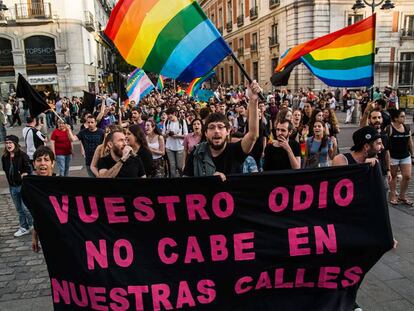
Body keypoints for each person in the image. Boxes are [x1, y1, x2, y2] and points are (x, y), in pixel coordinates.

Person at [183, 81, 260, 180]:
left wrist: (253, 101)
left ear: (228, 131)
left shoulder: (235, 151)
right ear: (205, 133)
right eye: (211, 127)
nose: (216, 131)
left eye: (220, 127)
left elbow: (253, 135)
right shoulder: (196, 154)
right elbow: (185, 183)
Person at [2, 135, 33, 237]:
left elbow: (29, 170)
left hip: (22, 186)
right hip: (12, 187)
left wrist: (24, 174)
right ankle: (24, 227)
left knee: (26, 208)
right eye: (6, 143)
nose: (8, 145)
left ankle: (33, 224)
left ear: (15, 144)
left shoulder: (22, 155)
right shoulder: (4, 157)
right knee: (19, 209)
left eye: (10, 143)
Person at [386, 109, 414, 206]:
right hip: (393, 156)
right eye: (402, 116)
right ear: (395, 118)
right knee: (393, 176)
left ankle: (402, 196)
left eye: (404, 116)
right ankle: (393, 196)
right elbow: (386, 145)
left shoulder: (407, 127)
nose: (404, 118)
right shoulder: (389, 128)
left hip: (405, 155)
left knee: (407, 176)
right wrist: (387, 158)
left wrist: (413, 155)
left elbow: (410, 142)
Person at [30, 146, 56, 252]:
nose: (42, 163)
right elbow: (37, 214)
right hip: (46, 237)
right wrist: (34, 236)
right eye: (39, 160)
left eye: (46, 160)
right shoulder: (31, 188)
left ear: (52, 163)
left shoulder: (62, 186)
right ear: (34, 164)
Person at [163, 107, 188, 177]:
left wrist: (177, 136)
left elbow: (186, 135)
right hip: (169, 147)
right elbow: (163, 135)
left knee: (180, 166)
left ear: (174, 113)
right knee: (172, 166)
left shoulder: (182, 122)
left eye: (169, 114)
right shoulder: (167, 122)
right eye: (167, 115)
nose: (168, 116)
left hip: (180, 147)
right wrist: (167, 133)